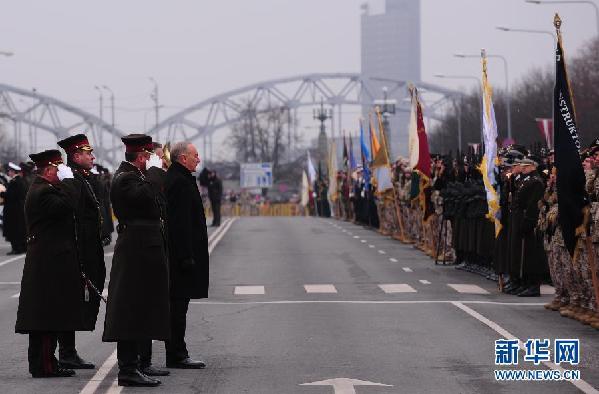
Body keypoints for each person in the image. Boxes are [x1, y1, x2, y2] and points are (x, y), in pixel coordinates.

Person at [102, 134, 170, 387]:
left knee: (143, 307)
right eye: (151, 157)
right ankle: (128, 368)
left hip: (145, 248)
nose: (158, 162)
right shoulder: (124, 179)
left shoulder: (138, 177)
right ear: (142, 156)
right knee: (130, 308)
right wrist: (154, 172)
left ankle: (139, 363)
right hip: (135, 250)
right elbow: (143, 198)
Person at [15, 150, 84, 378]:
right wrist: (70, 181)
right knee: (45, 317)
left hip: (50, 260)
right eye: (58, 169)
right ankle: (44, 366)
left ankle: (48, 362)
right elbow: (68, 205)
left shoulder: (45, 189)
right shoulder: (43, 192)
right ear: (49, 170)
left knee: (50, 315)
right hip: (47, 263)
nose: (61, 173)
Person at [55, 134, 105, 370]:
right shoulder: (72, 180)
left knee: (79, 302)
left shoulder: (84, 178)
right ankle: (66, 352)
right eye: (88, 153)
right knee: (72, 300)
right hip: (79, 249)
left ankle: (69, 351)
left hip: (89, 247)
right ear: (76, 156)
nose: (92, 157)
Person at [164, 141, 208, 369]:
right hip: (181, 256)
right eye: (195, 155)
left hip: (182, 254)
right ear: (183, 158)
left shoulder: (179, 178)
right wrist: (186, 256)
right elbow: (180, 224)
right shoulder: (180, 182)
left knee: (179, 306)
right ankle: (176, 353)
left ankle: (177, 351)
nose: (198, 159)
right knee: (178, 307)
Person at [2, 162, 27, 254]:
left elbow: (11, 196)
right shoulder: (20, 181)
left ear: (13, 172)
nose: (8, 172)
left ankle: (16, 248)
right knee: (18, 228)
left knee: (14, 229)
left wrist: (2, 193)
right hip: (18, 209)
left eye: (9, 171)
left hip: (13, 210)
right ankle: (20, 247)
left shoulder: (14, 182)